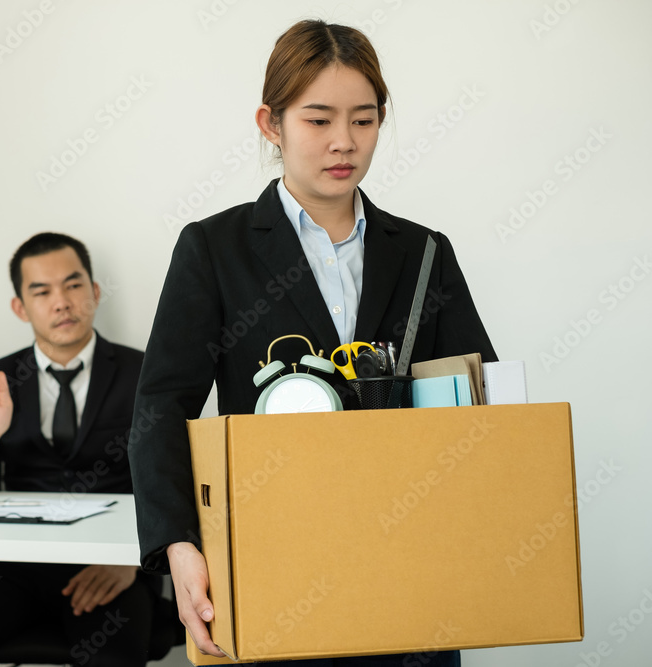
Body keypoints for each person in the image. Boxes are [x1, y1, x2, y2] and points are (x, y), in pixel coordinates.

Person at [128, 19, 498, 667]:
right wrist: (179, 545)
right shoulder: (215, 249)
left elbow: (477, 400)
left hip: (411, 563)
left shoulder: (423, 252)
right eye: (319, 119)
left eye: (364, 120)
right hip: (273, 559)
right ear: (271, 124)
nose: (343, 141)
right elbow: (161, 405)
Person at [0, 232, 158, 667]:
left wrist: (132, 560)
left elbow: (178, 478)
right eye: (42, 292)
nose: (62, 303)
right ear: (20, 307)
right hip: (10, 568)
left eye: (73, 285)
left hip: (109, 566)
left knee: (111, 658)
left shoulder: (145, 373)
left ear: (95, 292)